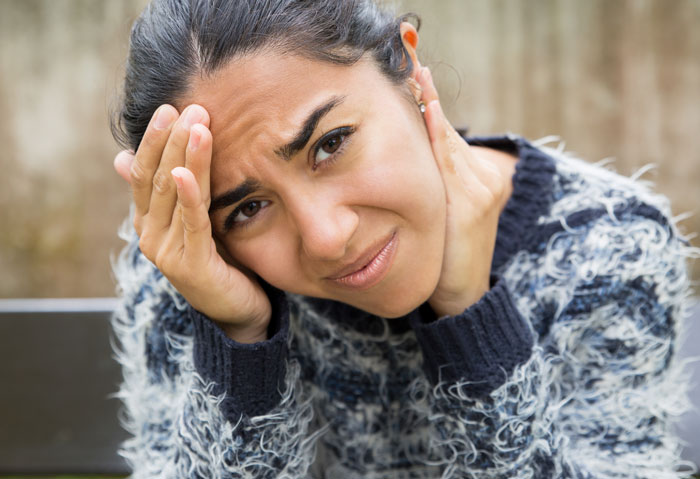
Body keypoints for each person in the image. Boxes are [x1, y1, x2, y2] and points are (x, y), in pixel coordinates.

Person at [109, 0, 698, 477]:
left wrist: (473, 318)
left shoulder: (606, 247)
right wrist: (239, 340)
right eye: (249, 208)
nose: (326, 237)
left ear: (409, 73)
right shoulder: (191, 268)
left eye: (330, 144)